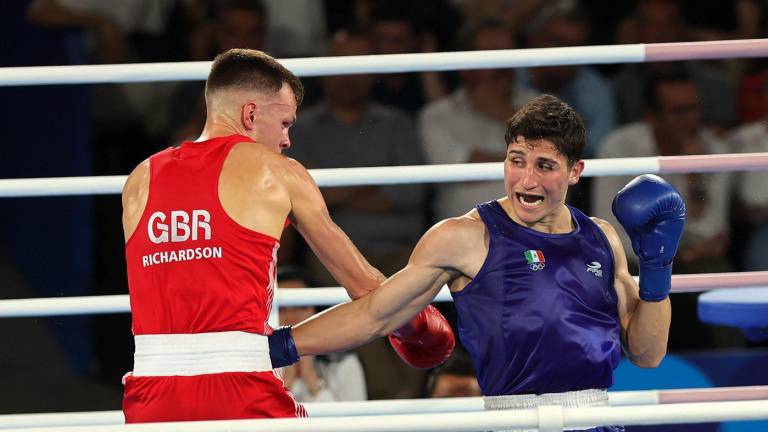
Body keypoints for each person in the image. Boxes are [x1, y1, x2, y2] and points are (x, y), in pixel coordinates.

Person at [272, 94, 684, 432]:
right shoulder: (465, 237)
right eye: (517, 159)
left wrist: (657, 267)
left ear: (576, 171)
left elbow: (647, 354)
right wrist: (279, 346)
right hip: (515, 422)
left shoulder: (601, 237)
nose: (526, 180)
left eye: (545, 166)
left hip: (598, 419)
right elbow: (375, 315)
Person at [120, 48, 454, 423]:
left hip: (151, 392)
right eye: (284, 123)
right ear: (250, 114)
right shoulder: (278, 171)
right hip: (240, 385)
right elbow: (366, 287)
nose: (287, 140)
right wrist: (419, 325)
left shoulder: (140, 178)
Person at [277, 266, 367, 402]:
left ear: (317, 311)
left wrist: (312, 379)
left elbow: (353, 422)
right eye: (281, 308)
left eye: (301, 306)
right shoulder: (255, 365)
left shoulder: (346, 364)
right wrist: (285, 384)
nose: (291, 317)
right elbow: (254, 421)